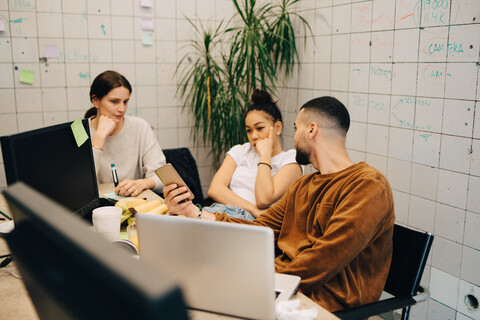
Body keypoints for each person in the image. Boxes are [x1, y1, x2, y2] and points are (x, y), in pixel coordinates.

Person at [163, 96, 395, 312]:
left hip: (324, 304)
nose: (294, 137)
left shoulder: (368, 185)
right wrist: (192, 212)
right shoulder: (302, 186)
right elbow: (259, 228)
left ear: (311, 130)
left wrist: (257, 281)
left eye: (296, 128)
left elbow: (323, 259)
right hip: (284, 287)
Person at [204, 89, 303, 221]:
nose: (253, 136)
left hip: (250, 222)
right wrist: (253, 209)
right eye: (249, 130)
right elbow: (215, 189)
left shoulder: (290, 159)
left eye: (260, 128)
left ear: (277, 128)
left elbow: (263, 200)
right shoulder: (241, 150)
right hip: (223, 211)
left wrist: (265, 156)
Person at [84, 70, 166, 197]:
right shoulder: (79, 130)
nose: (122, 109)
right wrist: (99, 136)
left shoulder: (140, 127)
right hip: (98, 207)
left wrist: (142, 183)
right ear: (96, 101)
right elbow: (83, 185)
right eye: (114, 101)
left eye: (125, 102)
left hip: (134, 202)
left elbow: (163, 178)